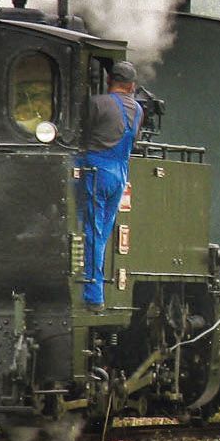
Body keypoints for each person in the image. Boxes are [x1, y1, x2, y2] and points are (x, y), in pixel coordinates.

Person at [75, 61, 144, 309]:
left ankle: (93, 295)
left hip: (97, 170)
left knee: (90, 231)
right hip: (119, 174)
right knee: (102, 233)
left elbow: (79, 134)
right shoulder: (137, 110)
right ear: (132, 85)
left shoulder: (97, 104)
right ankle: (94, 290)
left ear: (109, 82)